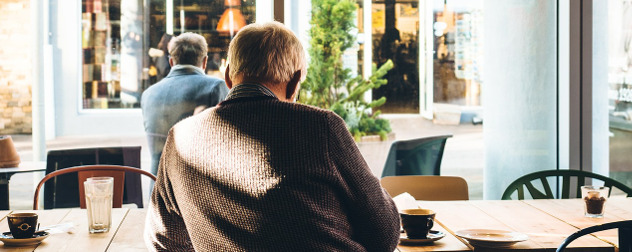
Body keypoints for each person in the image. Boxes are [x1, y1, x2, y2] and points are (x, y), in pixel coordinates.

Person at [144, 21, 400, 251]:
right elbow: (384, 234)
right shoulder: (321, 127)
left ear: (228, 77)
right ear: (295, 81)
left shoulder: (179, 138)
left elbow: (163, 239)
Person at [141, 32, 228, 176]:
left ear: (171, 62)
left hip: (157, 189)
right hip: (196, 189)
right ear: (205, 62)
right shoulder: (215, 87)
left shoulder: (148, 94)